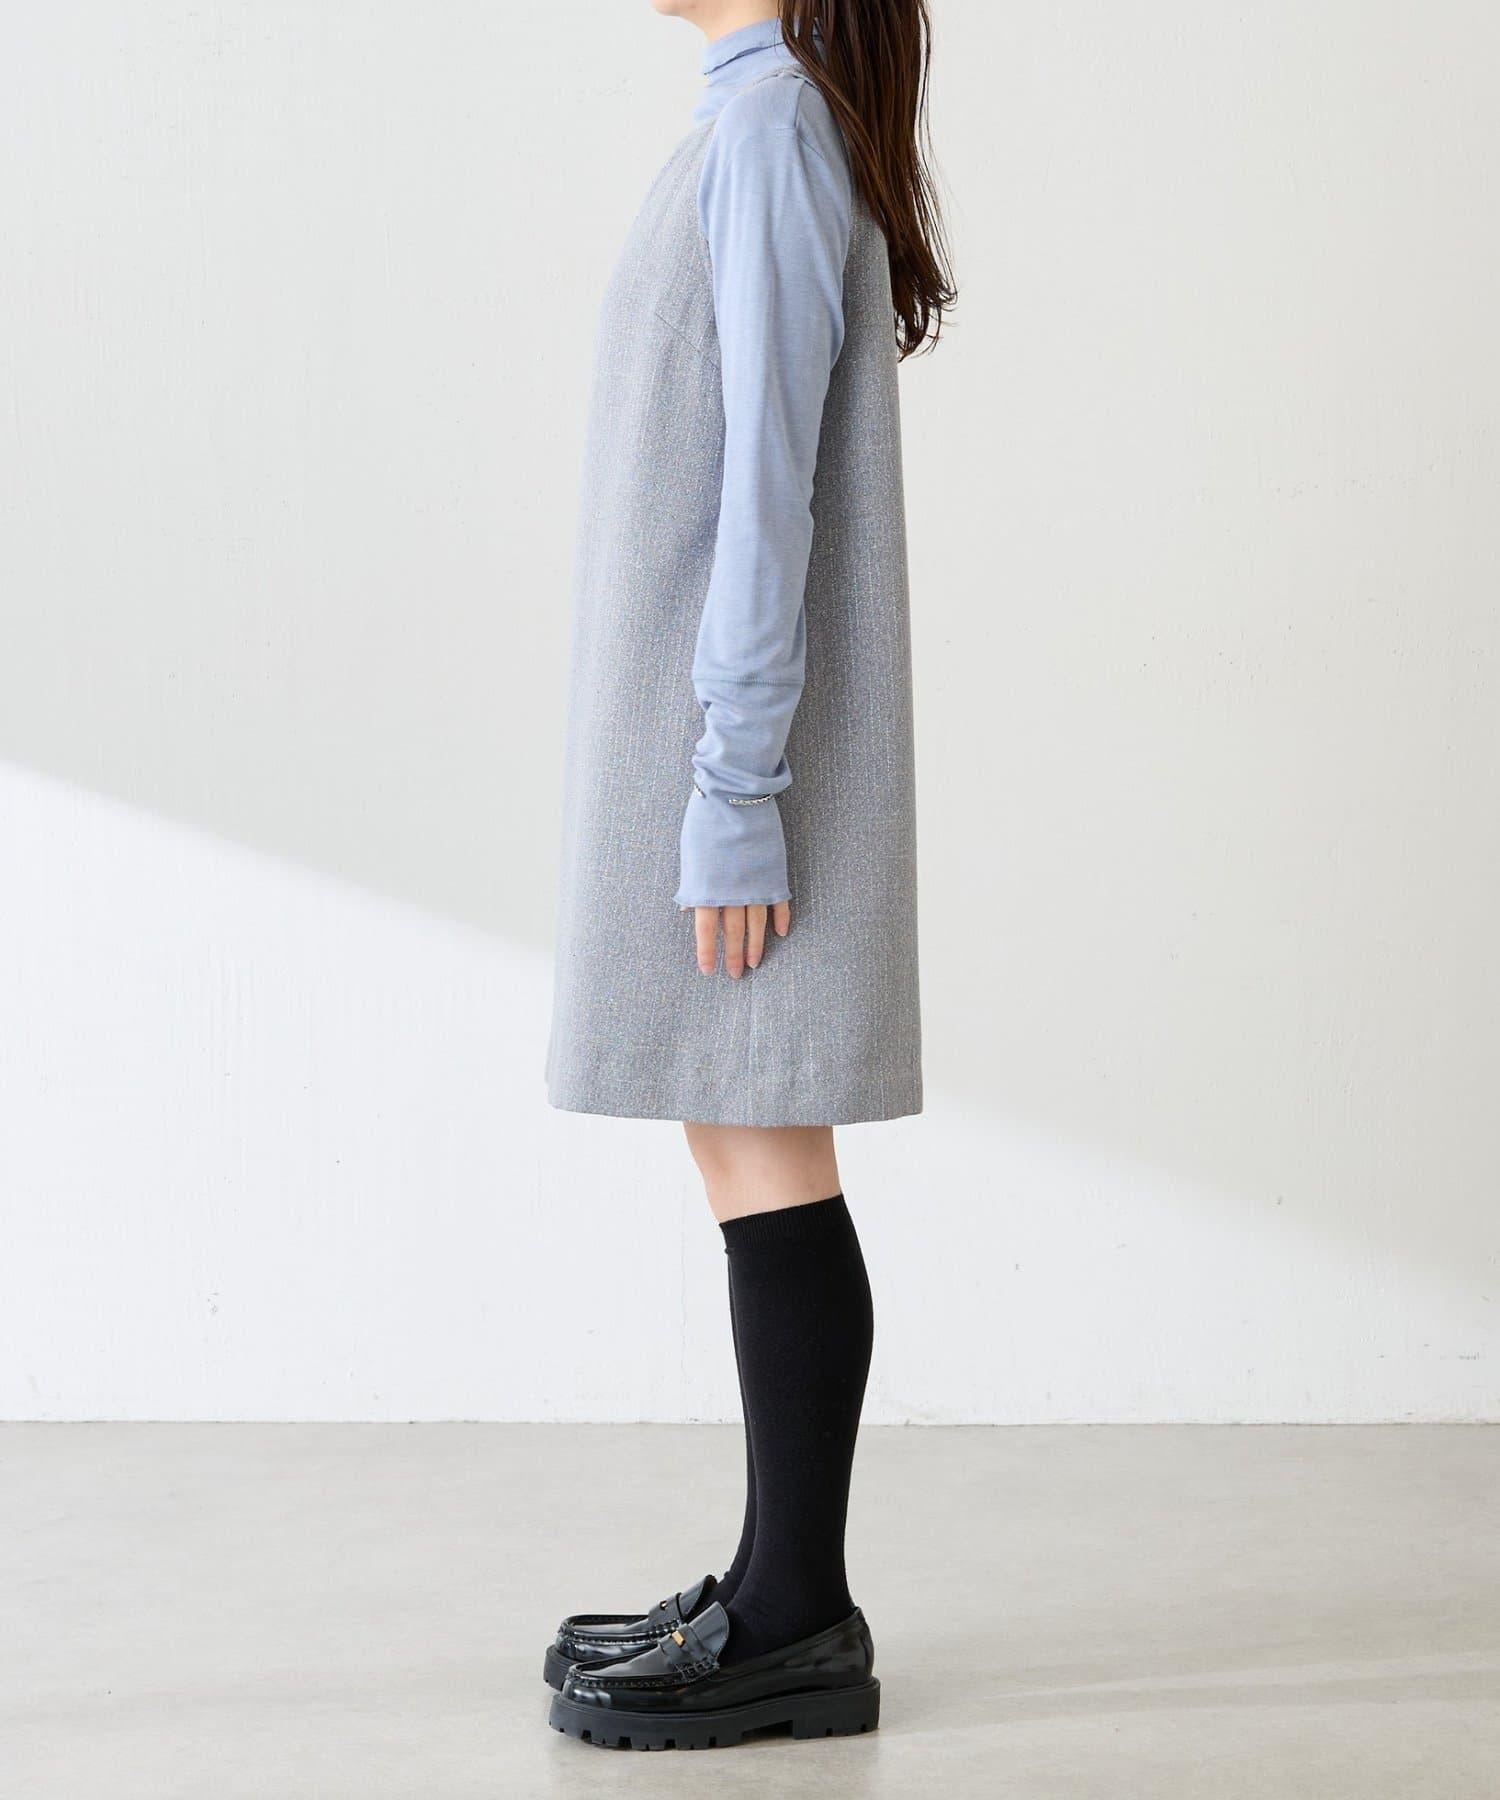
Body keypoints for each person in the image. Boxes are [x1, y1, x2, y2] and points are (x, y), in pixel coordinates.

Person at [542, 0, 953, 1752]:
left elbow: (770, 490)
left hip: (734, 755)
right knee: (740, 1132)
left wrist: (736, 789)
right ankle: (769, 1583)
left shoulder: (774, 129)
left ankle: (798, 1622)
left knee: (769, 1132)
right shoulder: (748, 120)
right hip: (700, 735)